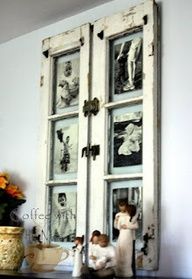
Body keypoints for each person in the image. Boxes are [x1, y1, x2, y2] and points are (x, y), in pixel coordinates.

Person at [114, 200, 138, 277]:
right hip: (122, 237)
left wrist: (127, 226)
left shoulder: (131, 214)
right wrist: (117, 220)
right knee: (121, 254)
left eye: (123, 206)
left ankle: (131, 274)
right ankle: (121, 272)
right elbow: (117, 226)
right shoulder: (118, 215)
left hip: (130, 238)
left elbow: (135, 225)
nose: (121, 208)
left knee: (130, 257)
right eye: (120, 206)